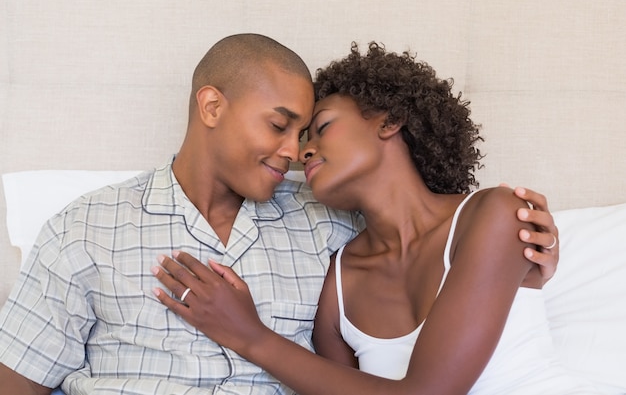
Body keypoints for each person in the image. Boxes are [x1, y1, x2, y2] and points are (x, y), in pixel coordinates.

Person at [0, 34, 558, 395]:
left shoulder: (333, 230)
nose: (296, 152)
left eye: (312, 131)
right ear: (212, 106)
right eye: (281, 126)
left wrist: (530, 260)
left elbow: (439, 242)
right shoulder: (87, 229)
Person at [152, 42, 594, 395]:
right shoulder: (339, 282)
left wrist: (250, 336)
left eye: (320, 128)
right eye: (293, 136)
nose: (299, 151)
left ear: (390, 121)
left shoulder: (494, 214)